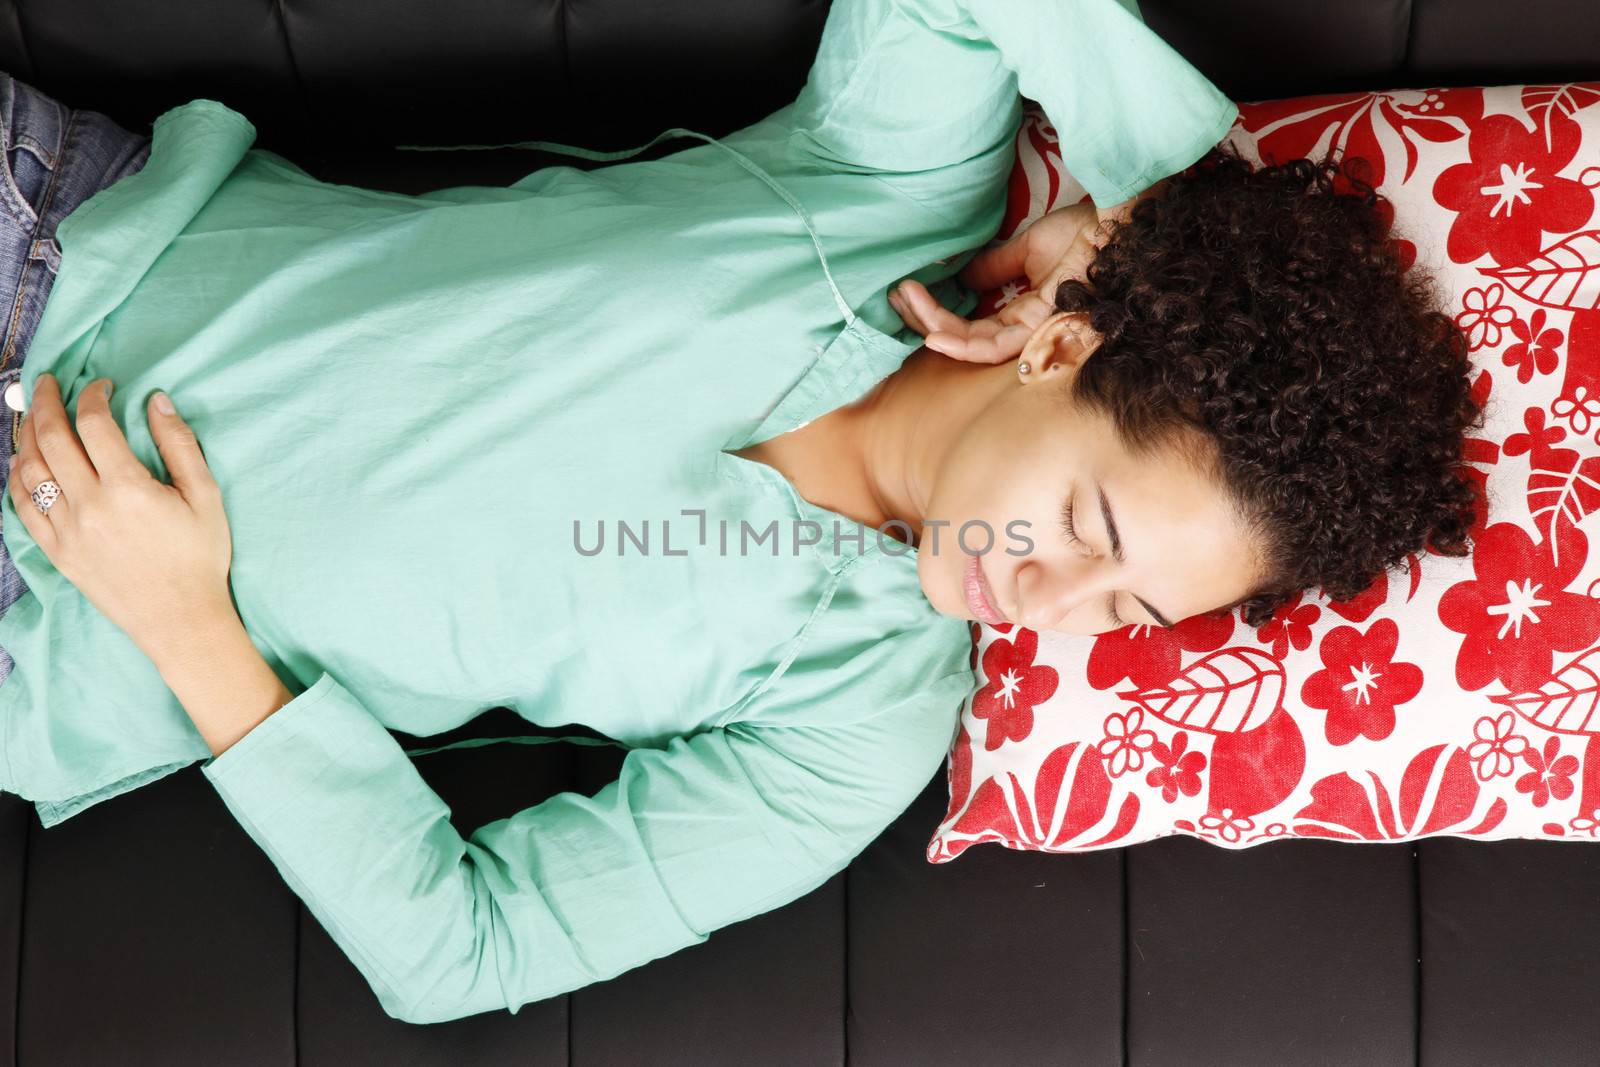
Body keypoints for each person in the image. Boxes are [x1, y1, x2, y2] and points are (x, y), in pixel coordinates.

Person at [0, 0, 1481, 1026]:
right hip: (63, 243)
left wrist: (193, 632)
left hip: (39, 629)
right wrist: (1164, 209)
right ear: (1061, 349)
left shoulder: (859, 725)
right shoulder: (885, 191)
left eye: (1126, 610)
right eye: (1091, 529)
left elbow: (467, 948)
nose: (1055, 605)